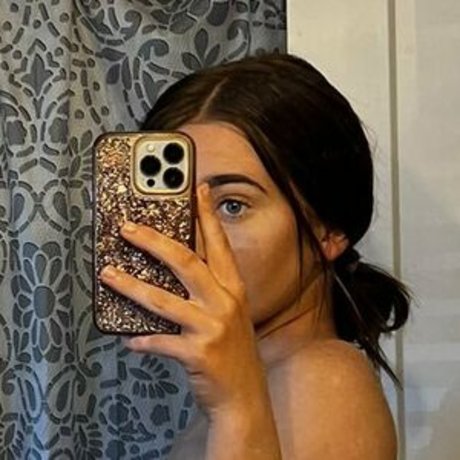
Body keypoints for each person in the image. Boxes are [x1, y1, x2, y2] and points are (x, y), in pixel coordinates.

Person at [99, 52, 410, 459]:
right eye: (175, 211)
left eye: (232, 206)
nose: (192, 240)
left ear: (329, 231)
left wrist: (235, 407)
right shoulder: (269, 380)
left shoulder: (321, 380)